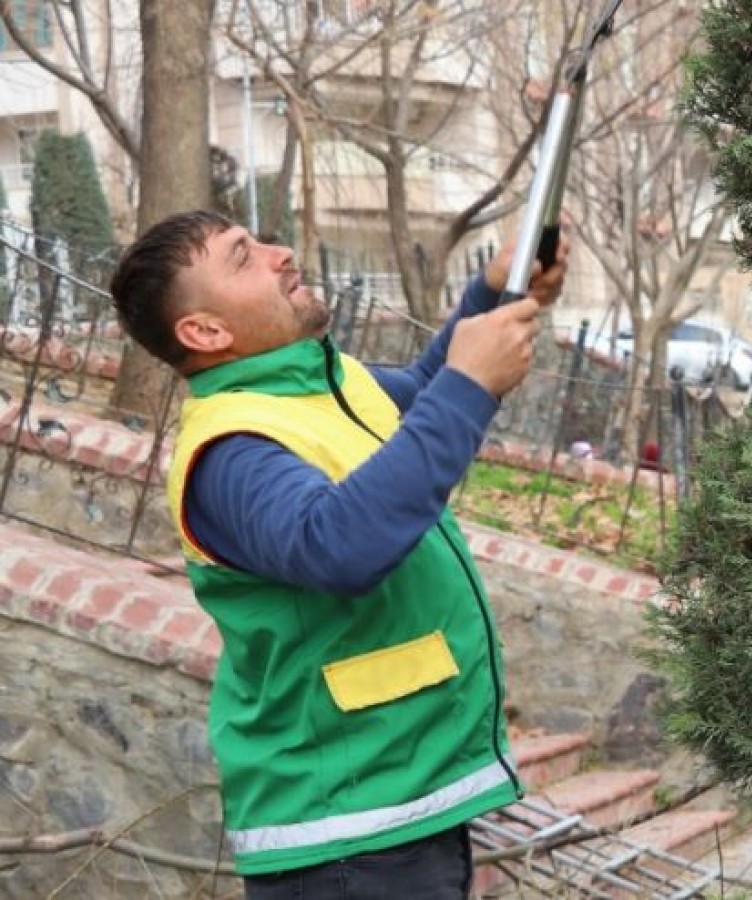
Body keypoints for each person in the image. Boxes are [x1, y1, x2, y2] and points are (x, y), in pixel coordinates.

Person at [108, 210, 567, 897]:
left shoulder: (322, 389)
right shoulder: (231, 452)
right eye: (243, 258)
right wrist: (472, 383)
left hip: (393, 804)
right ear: (204, 332)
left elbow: (425, 403)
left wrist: (496, 295)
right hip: (343, 835)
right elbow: (340, 545)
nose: (280, 253)